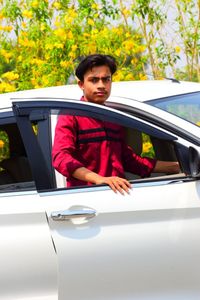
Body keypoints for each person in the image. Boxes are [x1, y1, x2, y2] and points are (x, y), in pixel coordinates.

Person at [52, 54, 180, 194]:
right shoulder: (71, 115)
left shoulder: (112, 117)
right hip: (87, 199)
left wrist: (178, 166)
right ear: (81, 84)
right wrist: (99, 179)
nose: (101, 85)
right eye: (94, 80)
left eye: (106, 80)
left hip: (118, 194)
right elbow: (61, 157)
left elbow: (129, 160)